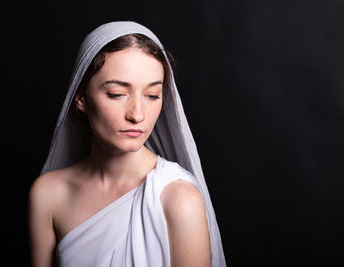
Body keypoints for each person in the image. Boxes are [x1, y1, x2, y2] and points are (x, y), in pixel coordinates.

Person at [29, 21, 226, 267]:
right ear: (80, 98)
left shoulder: (178, 199)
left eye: (152, 96)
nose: (137, 115)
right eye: (117, 94)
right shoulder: (48, 194)